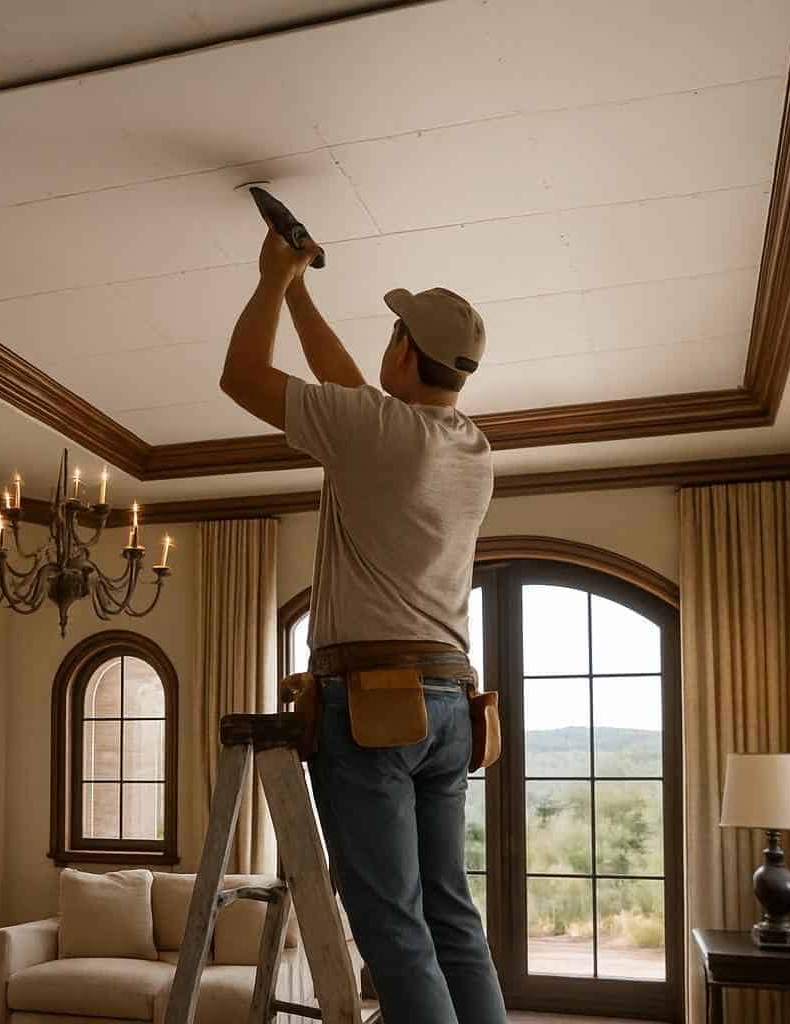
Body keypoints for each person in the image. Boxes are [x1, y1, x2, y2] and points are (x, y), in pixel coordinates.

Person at [218, 230, 505, 1024]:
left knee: (393, 926)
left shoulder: (377, 434)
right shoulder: (469, 446)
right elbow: (349, 387)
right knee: (449, 916)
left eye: (394, 333)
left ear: (407, 355)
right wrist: (306, 292)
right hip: (451, 702)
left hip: (375, 703)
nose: (385, 344)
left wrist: (272, 280)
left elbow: (239, 376)